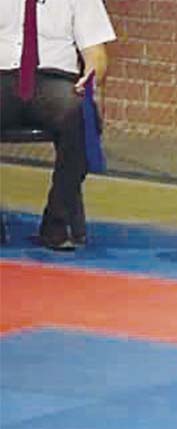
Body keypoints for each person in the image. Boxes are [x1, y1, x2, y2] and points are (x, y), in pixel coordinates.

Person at [0, 0, 115, 250]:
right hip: (2, 77)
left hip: (54, 80)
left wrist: (91, 74)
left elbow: (96, 53)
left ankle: (57, 220)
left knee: (81, 116)